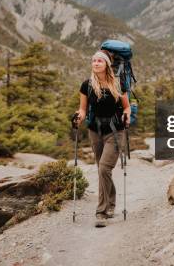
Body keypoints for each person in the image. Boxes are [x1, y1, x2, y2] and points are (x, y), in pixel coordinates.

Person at [75, 49, 130, 227]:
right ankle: (111, 203)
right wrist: (79, 117)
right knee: (102, 170)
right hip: (95, 131)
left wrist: (126, 115)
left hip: (115, 132)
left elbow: (127, 107)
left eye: (100, 60)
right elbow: (83, 109)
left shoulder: (118, 84)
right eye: (94, 61)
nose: (96, 63)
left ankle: (102, 212)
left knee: (104, 169)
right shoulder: (87, 85)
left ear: (106, 64)